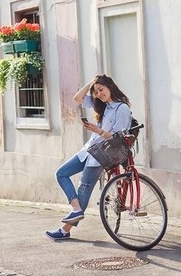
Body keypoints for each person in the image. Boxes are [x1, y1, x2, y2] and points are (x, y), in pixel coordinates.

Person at [45, 74, 132, 240]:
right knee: (61, 173)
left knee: (83, 191)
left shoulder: (122, 109)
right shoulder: (103, 105)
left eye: (101, 89)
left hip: (101, 155)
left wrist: (96, 130)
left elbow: (117, 138)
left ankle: (65, 230)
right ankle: (76, 210)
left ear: (110, 86)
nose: (99, 93)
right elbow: (77, 97)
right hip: (88, 151)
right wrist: (91, 83)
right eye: (96, 91)